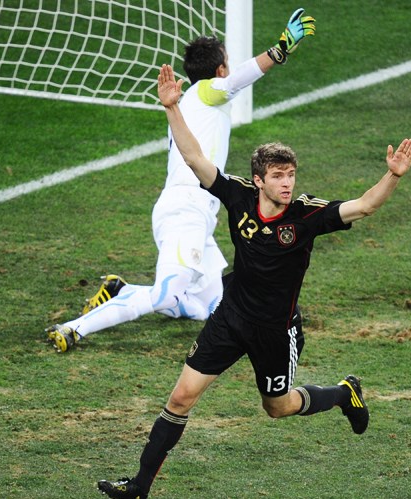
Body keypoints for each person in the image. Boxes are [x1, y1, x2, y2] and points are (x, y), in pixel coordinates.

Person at [96, 64, 411, 499]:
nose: (288, 184)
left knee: (277, 408)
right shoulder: (239, 196)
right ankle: (139, 487)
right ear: (260, 179)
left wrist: (393, 176)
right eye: (279, 177)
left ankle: (344, 394)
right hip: (230, 316)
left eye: (291, 175)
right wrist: (173, 108)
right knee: (180, 399)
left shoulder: (306, 214)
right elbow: (194, 159)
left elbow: (363, 207)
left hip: (275, 330)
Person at [46, 9, 317, 353]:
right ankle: (73, 328)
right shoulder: (205, 92)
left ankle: (122, 292)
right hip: (185, 209)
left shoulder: (189, 103)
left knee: (215, 307)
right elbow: (238, 81)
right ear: (219, 70)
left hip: (197, 213)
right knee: (165, 295)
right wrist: (278, 51)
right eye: (227, 64)